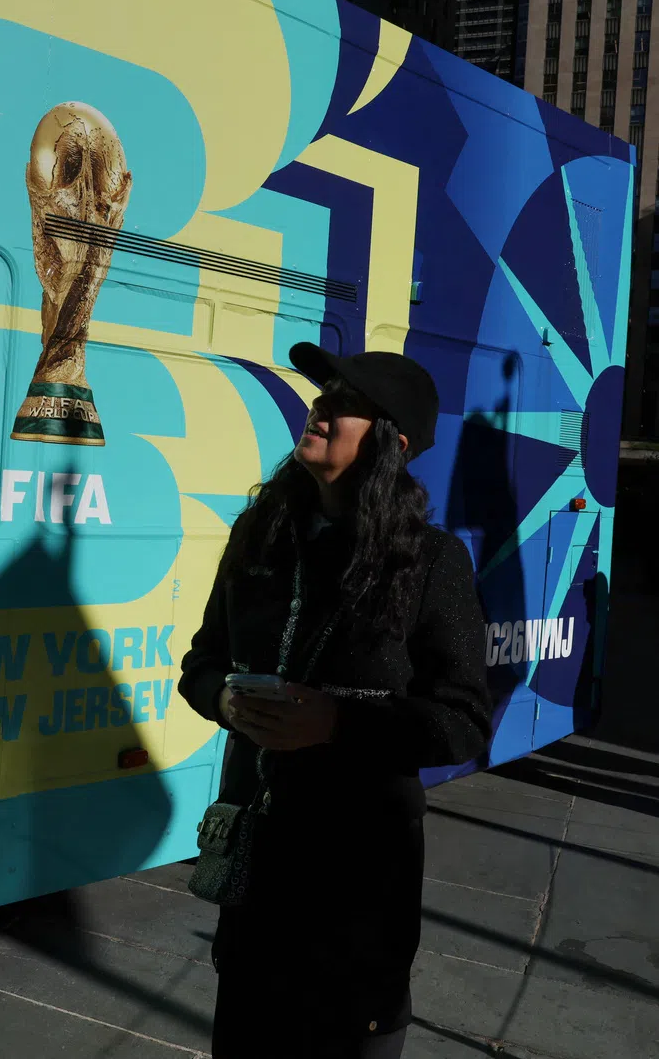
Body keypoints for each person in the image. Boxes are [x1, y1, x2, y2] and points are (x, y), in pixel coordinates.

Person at [179, 343, 491, 1059]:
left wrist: (338, 723)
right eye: (322, 397)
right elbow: (203, 663)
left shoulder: (431, 560)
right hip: (256, 873)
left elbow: (464, 721)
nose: (319, 408)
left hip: (359, 884)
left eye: (343, 402)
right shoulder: (260, 536)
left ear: (392, 442)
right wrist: (226, 701)